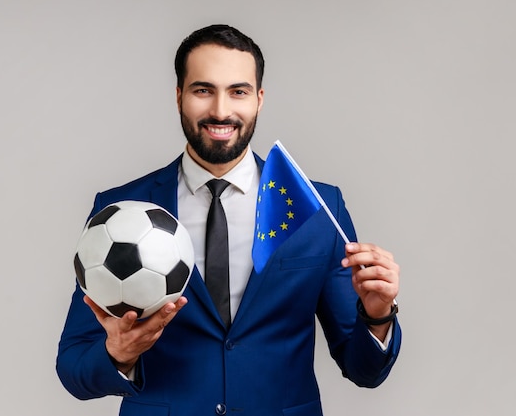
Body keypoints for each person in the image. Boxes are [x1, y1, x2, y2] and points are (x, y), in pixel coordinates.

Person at [57, 24, 401, 416]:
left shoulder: (319, 209)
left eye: (238, 91)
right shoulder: (120, 210)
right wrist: (116, 354)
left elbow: (365, 370)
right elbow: (73, 368)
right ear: (178, 97)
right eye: (203, 90)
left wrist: (377, 316)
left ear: (259, 99)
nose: (221, 110)